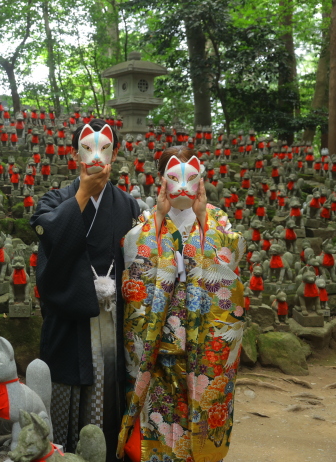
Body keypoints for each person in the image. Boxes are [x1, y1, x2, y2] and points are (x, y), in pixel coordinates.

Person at [117, 146, 245, 462]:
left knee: (199, 410)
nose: (184, 184)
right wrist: (159, 220)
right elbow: (134, 270)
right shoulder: (148, 220)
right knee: (159, 414)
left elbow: (231, 267)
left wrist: (200, 226)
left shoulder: (217, 219)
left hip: (204, 339)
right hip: (159, 340)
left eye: (192, 176)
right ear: (161, 179)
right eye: (174, 176)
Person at [30, 118, 140, 459]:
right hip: (72, 316)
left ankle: (106, 452)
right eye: (87, 148)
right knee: (67, 387)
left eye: (105, 148)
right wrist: (81, 196)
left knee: (109, 384)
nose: (96, 156)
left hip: (112, 316)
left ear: (115, 154)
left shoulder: (128, 205)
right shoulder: (54, 200)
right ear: (75, 155)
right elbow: (50, 237)